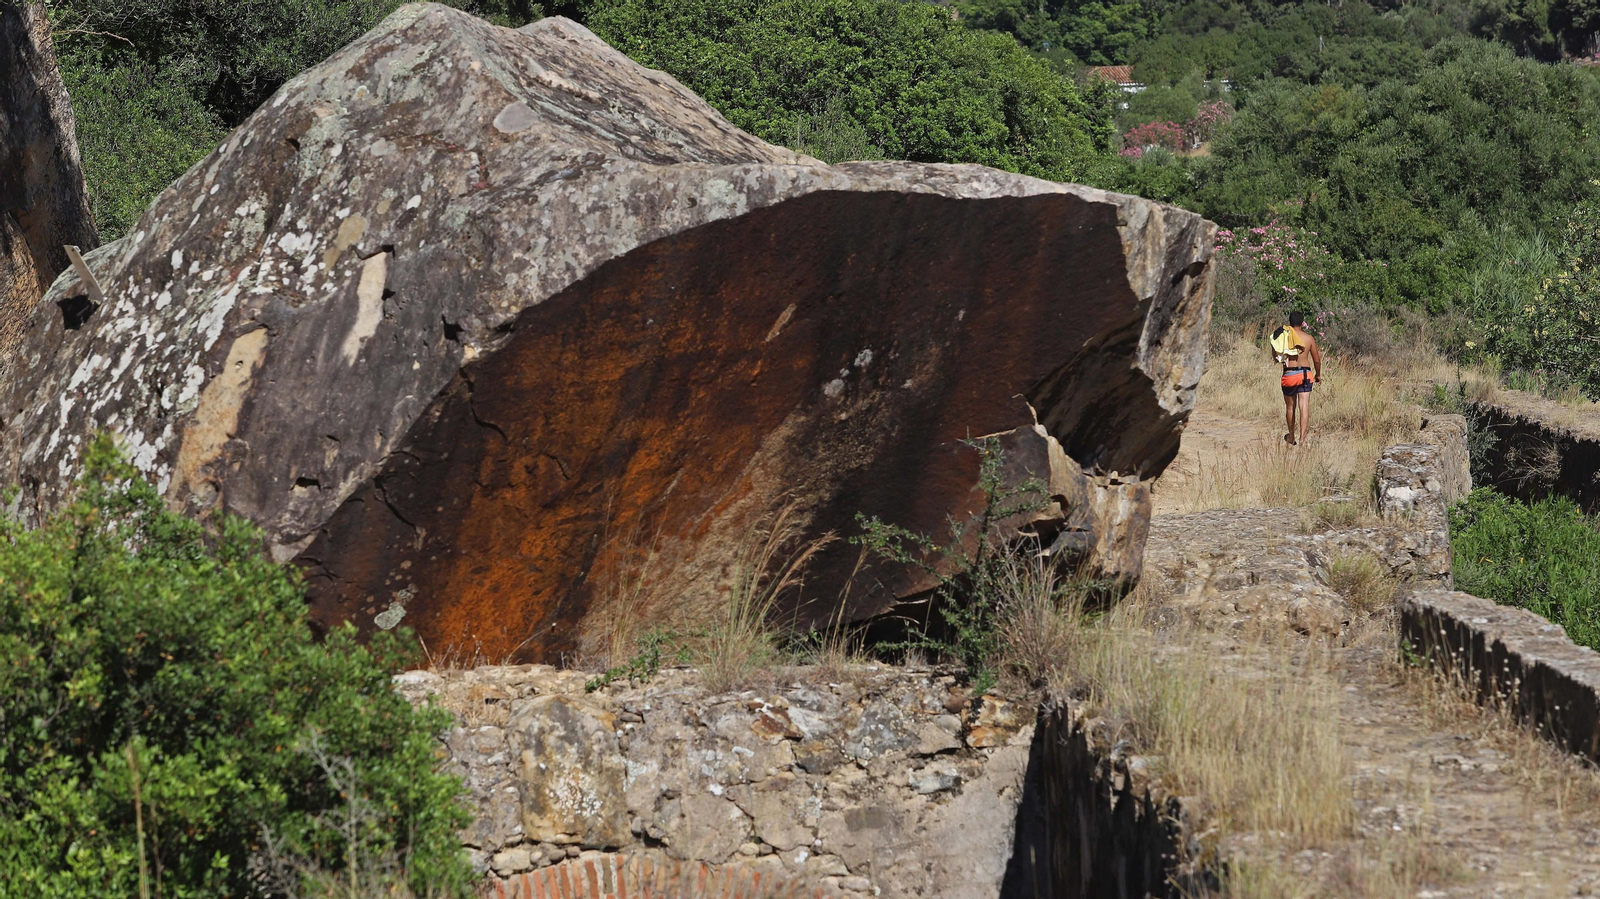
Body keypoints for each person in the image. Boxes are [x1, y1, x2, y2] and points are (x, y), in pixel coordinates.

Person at [1270, 311, 1321, 446]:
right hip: (1305, 374)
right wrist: (1318, 374)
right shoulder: (1309, 338)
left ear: (1289, 323)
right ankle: (1302, 438)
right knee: (1304, 406)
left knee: (1290, 407)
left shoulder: (1284, 338)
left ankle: (1291, 436)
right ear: (1303, 323)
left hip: (1289, 374)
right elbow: (1316, 361)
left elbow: (1276, 357)